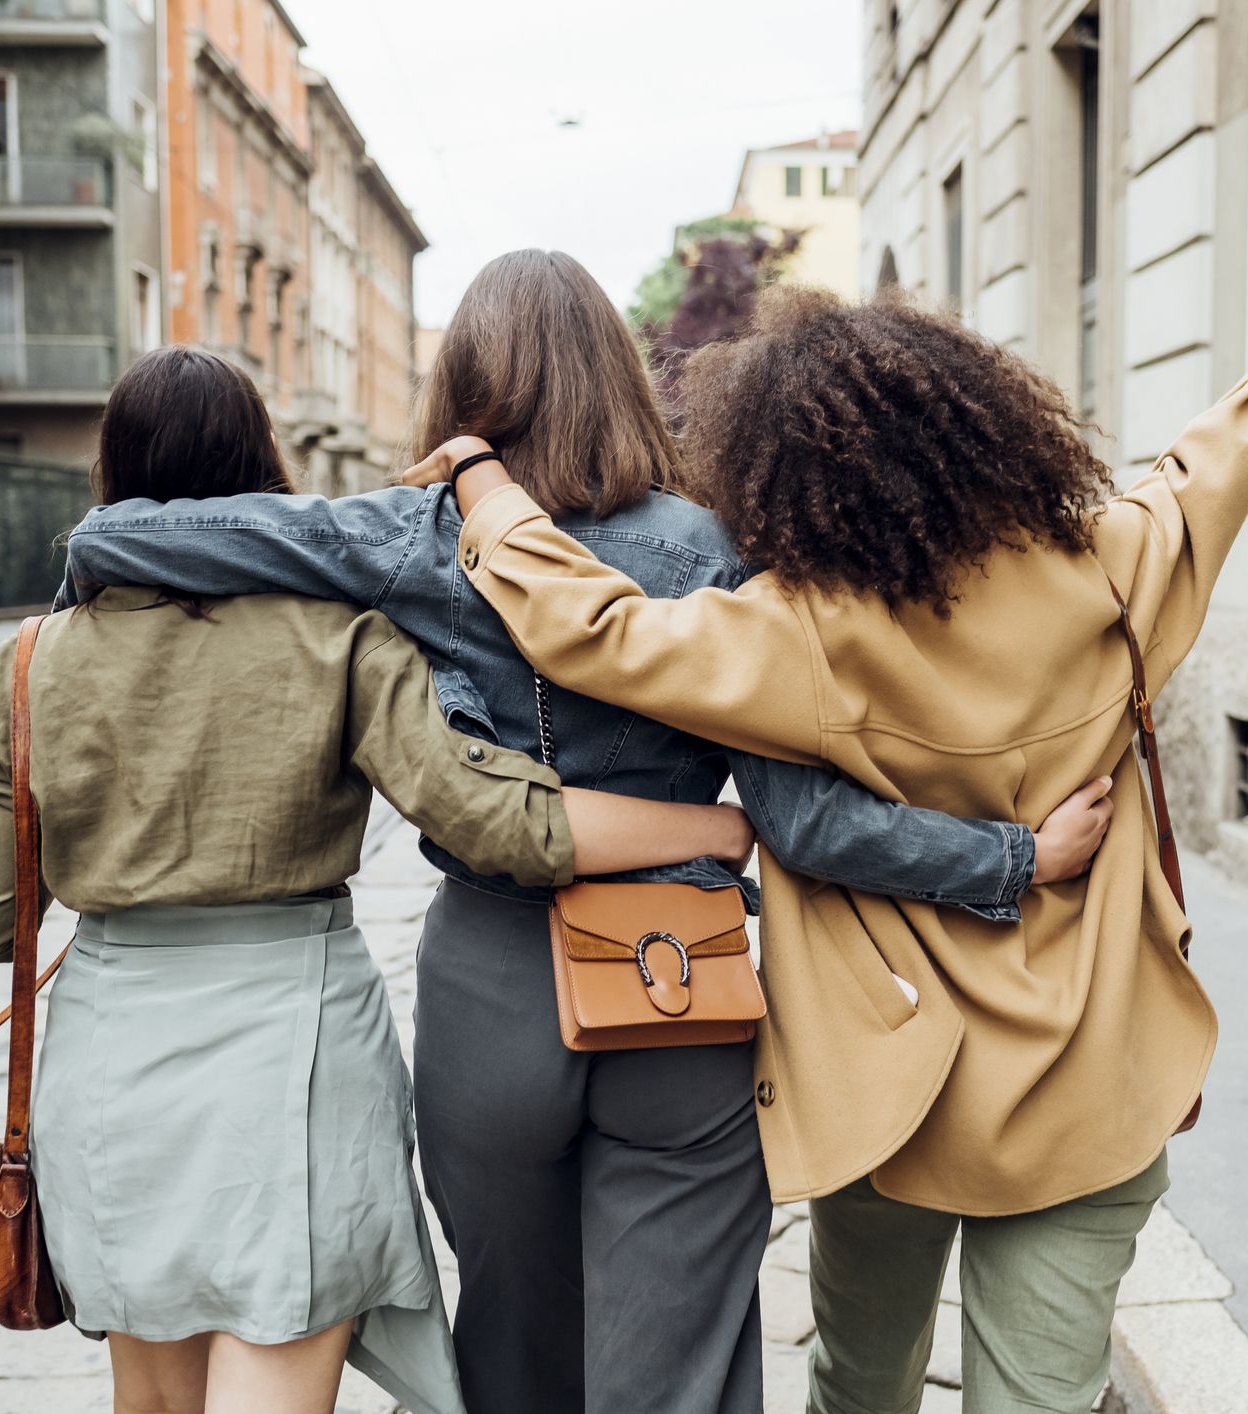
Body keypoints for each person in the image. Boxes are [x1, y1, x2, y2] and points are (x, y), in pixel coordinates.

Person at [54, 251, 1117, 1414]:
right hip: (682, 983)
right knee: (680, 1358)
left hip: (490, 988)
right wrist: (1013, 858)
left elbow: (166, 536)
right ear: (620, 377)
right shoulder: (718, 553)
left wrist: (93, 549)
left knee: (512, 1341)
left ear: (462, 389)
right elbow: (808, 826)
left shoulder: (413, 535)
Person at [406, 224, 1248, 1413]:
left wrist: (489, 492)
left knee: (860, 1381)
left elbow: (596, 630)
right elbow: (1208, 476)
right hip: (1090, 1081)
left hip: (894, 1093)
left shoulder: (801, 631)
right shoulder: (1114, 573)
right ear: (991, 429)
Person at [0, 346, 777, 1414]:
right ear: (263, 470)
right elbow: (487, 814)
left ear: (111, 470)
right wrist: (709, 824)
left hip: (114, 1067)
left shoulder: (32, 659)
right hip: (295, 1052)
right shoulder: (337, 635)